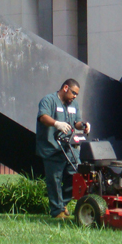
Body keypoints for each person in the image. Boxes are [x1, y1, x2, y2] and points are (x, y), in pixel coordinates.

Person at [36, 78, 91, 219]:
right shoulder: (49, 100)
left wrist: (83, 125)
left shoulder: (73, 104)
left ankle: (63, 204)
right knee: (54, 180)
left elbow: (76, 122)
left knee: (76, 175)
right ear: (65, 88)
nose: (75, 96)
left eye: (77, 94)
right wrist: (56, 124)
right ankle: (57, 211)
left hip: (70, 148)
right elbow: (43, 117)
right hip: (52, 148)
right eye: (73, 93)